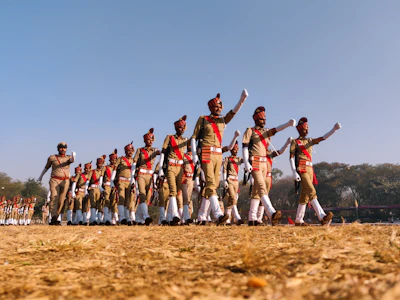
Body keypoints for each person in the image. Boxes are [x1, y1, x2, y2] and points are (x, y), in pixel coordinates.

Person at [191, 90, 248, 225]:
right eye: (216, 106)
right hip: (206, 152)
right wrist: (194, 155)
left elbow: (233, 113)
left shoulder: (222, 121)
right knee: (210, 183)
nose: (219, 108)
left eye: (220, 106)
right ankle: (218, 214)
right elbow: (194, 138)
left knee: (214, 185)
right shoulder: (203, 119)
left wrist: (242, 100)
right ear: (210, 108)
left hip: (218, 155)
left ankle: (202, 216)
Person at [242, 106, 295, 226]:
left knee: (257, 192)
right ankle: (272, 213)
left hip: (264, 163)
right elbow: (244, 147)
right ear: (255, 119)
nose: (264, 121)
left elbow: (276, 129)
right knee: (261, 187)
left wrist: (287, 124)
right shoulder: (250, 131)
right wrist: (246, 162)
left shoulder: (266, 132)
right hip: (254, 161)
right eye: (261, 119)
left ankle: (252, 218)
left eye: (265, 118)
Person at [290, 117, 341, 226]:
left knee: (305, 195)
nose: (307, 129)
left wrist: (333, 130)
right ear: (300, 129)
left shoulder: (309, 141)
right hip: (302, 168)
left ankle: (299, 220)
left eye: (307, 127)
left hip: (310, 169)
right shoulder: (295, 142)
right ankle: (322, 216)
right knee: (311, 190)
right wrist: (294, 172)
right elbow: (291, 157)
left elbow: (322, 138)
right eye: (304, 128)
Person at [158, 116, 188, 225]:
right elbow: (163, 152)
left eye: (183, 127)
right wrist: (161, 169)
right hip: (170, 166)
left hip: (180, 167)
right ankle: (175, 214)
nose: (181, 129)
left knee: (178, 191)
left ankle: (170, 216)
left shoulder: (185, 140)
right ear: (176, 128)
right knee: (172, 190)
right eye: (179, 127)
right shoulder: (169, 138)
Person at [255, 138, 292, 225]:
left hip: (268, 177)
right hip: (260, 175)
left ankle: (259, 218)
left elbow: (280, 152)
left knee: (264, 198)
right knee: (258, 197)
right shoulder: (258, 151)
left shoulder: (270, 153)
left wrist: (287, 143)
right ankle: (254, 217)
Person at [38, 142, 76, 225]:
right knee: (54, 197)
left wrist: (74, 156)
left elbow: (72, 160)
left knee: (61, 200)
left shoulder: (68, 157)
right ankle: (54, 217)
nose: (63, 149)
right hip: (54, 180)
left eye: (64, 148)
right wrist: (41, 176)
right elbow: (46, 167)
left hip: (65, 181)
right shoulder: (52, 158)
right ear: (58, 148)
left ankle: (56, 216)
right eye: (61, 148)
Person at [132, 128, 160, 225]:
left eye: (152, 140)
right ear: (144, 140)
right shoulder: (140, 150)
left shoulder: (155, 150)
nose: (150, 141)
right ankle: (146, 216)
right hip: (141, 174)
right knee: (142, 195)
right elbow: (134, 163)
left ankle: (138, 218)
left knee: (148, 198)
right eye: (148, 139)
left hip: (150, 175)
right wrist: (132, 177)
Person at [222, 141, 244, 225]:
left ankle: (228, 218)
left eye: (237, 148)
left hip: (236, 181)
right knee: (232, 198)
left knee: (233, 200)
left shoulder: (238, 159)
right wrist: (224, 180)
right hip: (230, 180)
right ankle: (230, 217)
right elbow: (224, 170)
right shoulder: (227, 159)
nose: (235, 150)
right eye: (234, 148)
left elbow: (245, 160)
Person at [115, 142, 135, 225]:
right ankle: (122, 217)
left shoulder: (134, 160)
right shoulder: (121, 159)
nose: (130, 152)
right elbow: (115, 169)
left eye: (131, 150)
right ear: (125, 151)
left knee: (128, 200)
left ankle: (127, 218)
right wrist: (113, 180)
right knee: (122, 198)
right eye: (128, 150)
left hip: (130, 181)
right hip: (121, 181)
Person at [88, 155, 106, 225]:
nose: (100, 165)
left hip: (99, 189)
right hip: (93, 188)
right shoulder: (92, 171)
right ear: (96, 164)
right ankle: (93, 219)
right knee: (93, 204)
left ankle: (100, 220)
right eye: (99, 163)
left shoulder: (103, 172)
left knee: (99, 205)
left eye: (101, 163)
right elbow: (88, 180)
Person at [103, 149, 118, 225]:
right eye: (112, 159)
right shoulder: (106, 168)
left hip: (115, 186)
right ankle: (106, 218)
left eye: (115, 159)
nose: (113, 161)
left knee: (114, 202)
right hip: (107, 185)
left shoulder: (118, 168)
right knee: (107, 201)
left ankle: (114, 219)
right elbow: (101, 176)